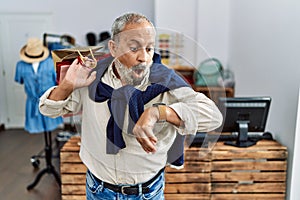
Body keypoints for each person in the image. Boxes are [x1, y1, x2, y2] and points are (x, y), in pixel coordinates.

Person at [39, 12, 222, 200]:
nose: (144, 57)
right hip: (97, 189)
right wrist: (67, 86)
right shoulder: (91, 77)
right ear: (114, 48)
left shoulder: (166, 81)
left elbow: (213, 117)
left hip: (148, 193)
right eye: (134, 48)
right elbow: (48, 109)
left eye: (149, 49)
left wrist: (159, 112)